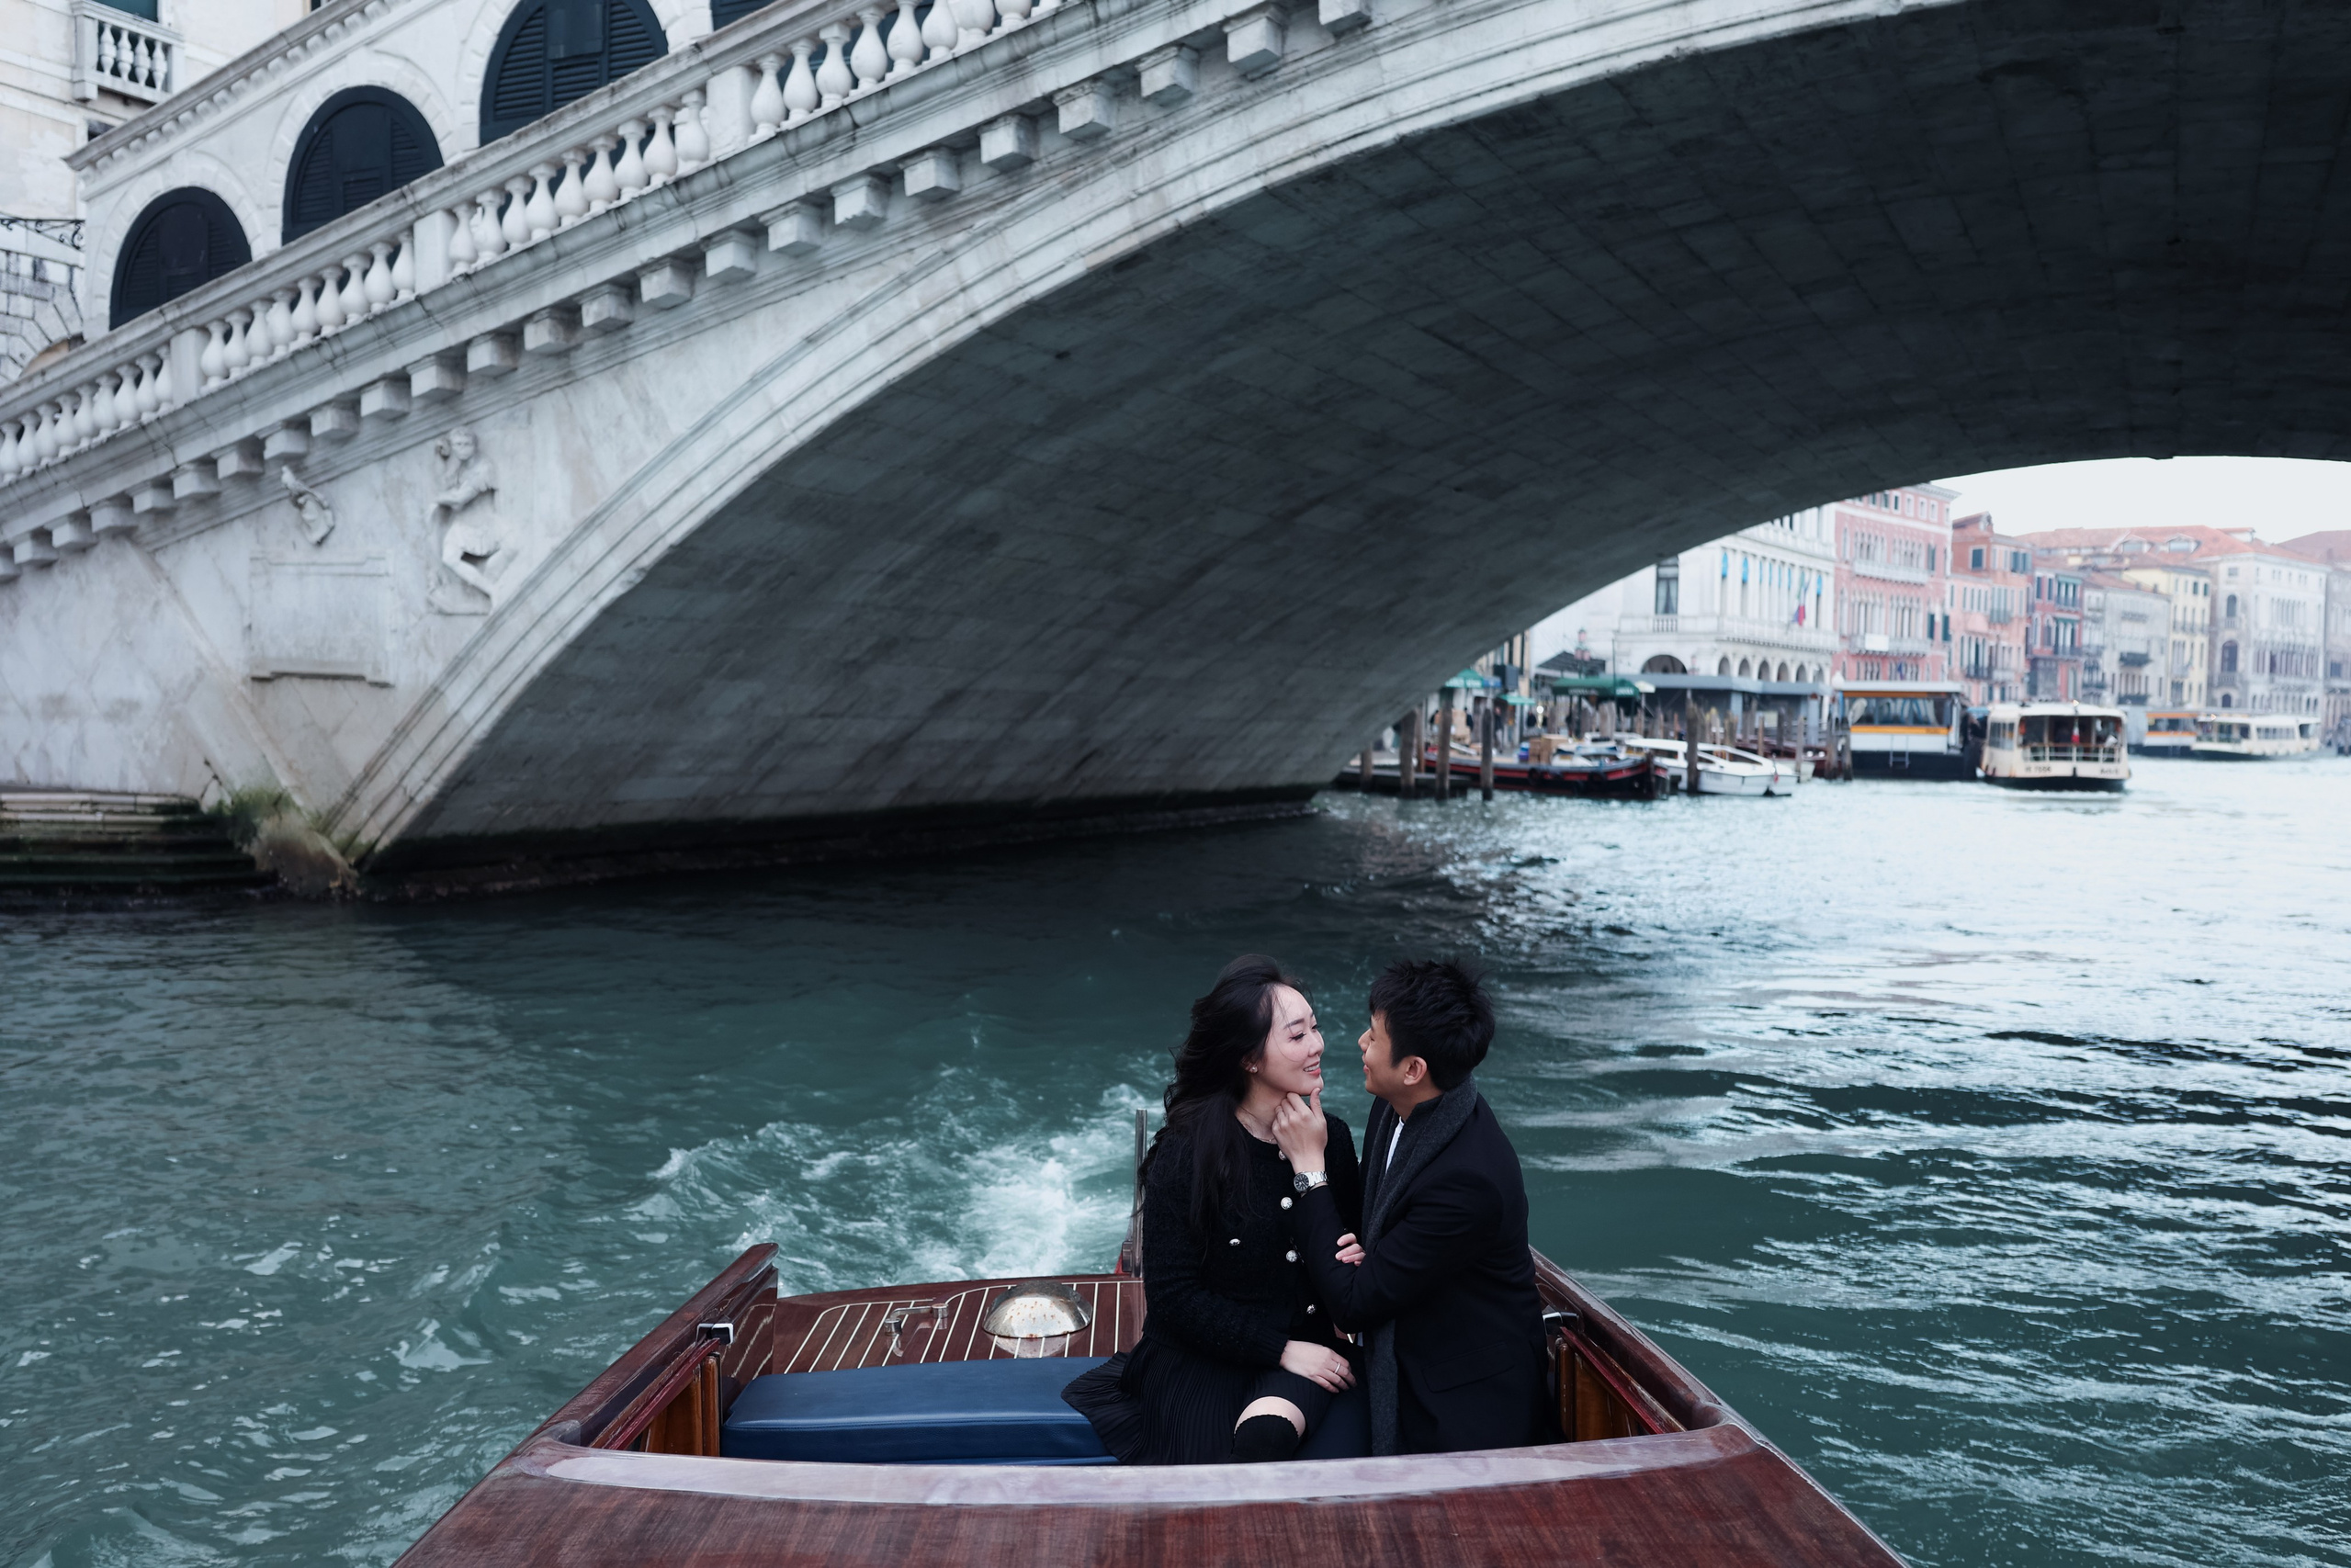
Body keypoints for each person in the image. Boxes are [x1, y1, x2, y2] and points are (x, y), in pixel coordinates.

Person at [1062, 955, 1364, 1463]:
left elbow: (1350, 1257)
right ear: (1249, 1058)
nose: (1318, 1046)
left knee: (1273, 1441)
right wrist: (1280, 1349)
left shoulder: (1330, 1138)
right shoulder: (1189, 1149)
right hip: (1200, 1356)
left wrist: (1354, 1253)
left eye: (1316, 1027)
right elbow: (1174, 1297)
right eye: (1296, 1036)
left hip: (1304, 1354)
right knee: (1209, 1473)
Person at [1272, 957, 1549, 1455]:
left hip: (1463, 1406)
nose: (1361, 1042)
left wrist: (1309, 1170)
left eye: (1375, 1037)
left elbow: (1353, 1307)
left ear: (1413, 1069)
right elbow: (1364, 1241)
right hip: (1401, 1343)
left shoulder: (1469, 1181)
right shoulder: (1397, 1103)